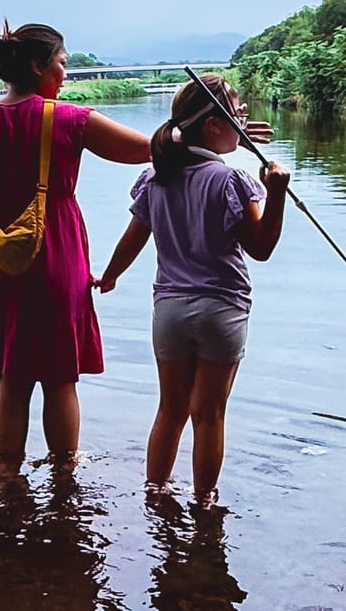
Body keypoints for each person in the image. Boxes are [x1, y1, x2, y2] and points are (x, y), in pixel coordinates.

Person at [0, 23, 156, 473]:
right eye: (61, 66)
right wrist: (200, 131)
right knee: (61, 376)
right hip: (57, 252)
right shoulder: (68, 119)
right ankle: (65, 473)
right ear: (39, 66)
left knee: (13, 376)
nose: (65, 76)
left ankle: (7, 474)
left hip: (2, 258)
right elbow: (144, 150)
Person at [94, 73, 289, 506]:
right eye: (236, 116)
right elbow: (260, 248)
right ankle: (205, 502)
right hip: (223, 309)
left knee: (171, 409)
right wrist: (276, 194)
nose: (243, 122)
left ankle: (155, 490)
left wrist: (110, 275)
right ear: (213, 126)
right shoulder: (231, 181)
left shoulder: (155, 177)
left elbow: (134, 236)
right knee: (209, 415)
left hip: (170, 311)